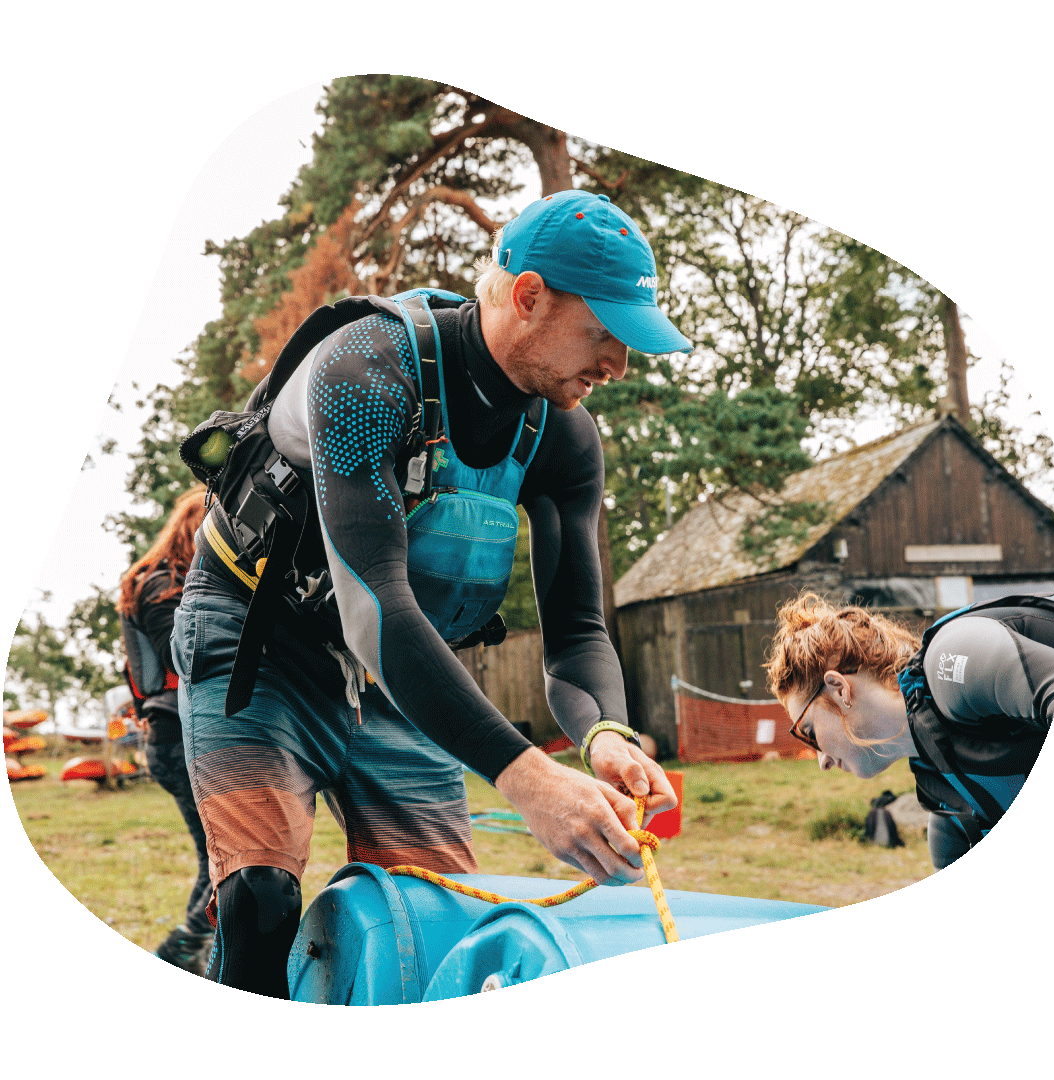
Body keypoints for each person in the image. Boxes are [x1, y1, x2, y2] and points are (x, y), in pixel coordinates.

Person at [172, 189, 686, 998]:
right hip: (258, 639)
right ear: (528, 297)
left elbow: (579, 628)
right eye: (605, 335)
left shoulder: (566, 433)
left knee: (431, 916)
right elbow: (374, 605)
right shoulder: (365, 372)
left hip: (403, 669)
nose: (619, 366)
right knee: (261, 901)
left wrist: (606, 737)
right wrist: (527, 779)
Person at [764, 590, 1054, 870]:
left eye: (809, 733)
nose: (823, 762)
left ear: (839, 689)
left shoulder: (952, 661)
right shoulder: (946, 802)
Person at [117, 486, 214, 975]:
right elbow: (185, 660)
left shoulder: (153, 581)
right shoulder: (164, 586)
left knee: (215, 858)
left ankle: (202, 952)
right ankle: (186, 946)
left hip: (172, 737)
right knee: (228, 860)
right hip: (180, 736)